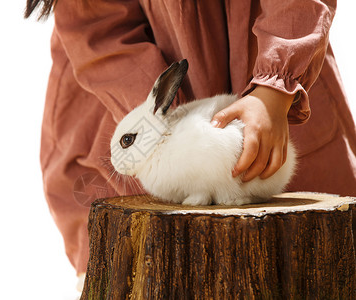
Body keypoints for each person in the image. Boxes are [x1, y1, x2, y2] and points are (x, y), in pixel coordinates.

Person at [26, 0, 356, 285]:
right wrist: (170, 130)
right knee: (152, 271)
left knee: (300, 265)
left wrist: (275, 82)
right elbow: (98, 26)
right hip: (117, 100)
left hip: (277, 89)